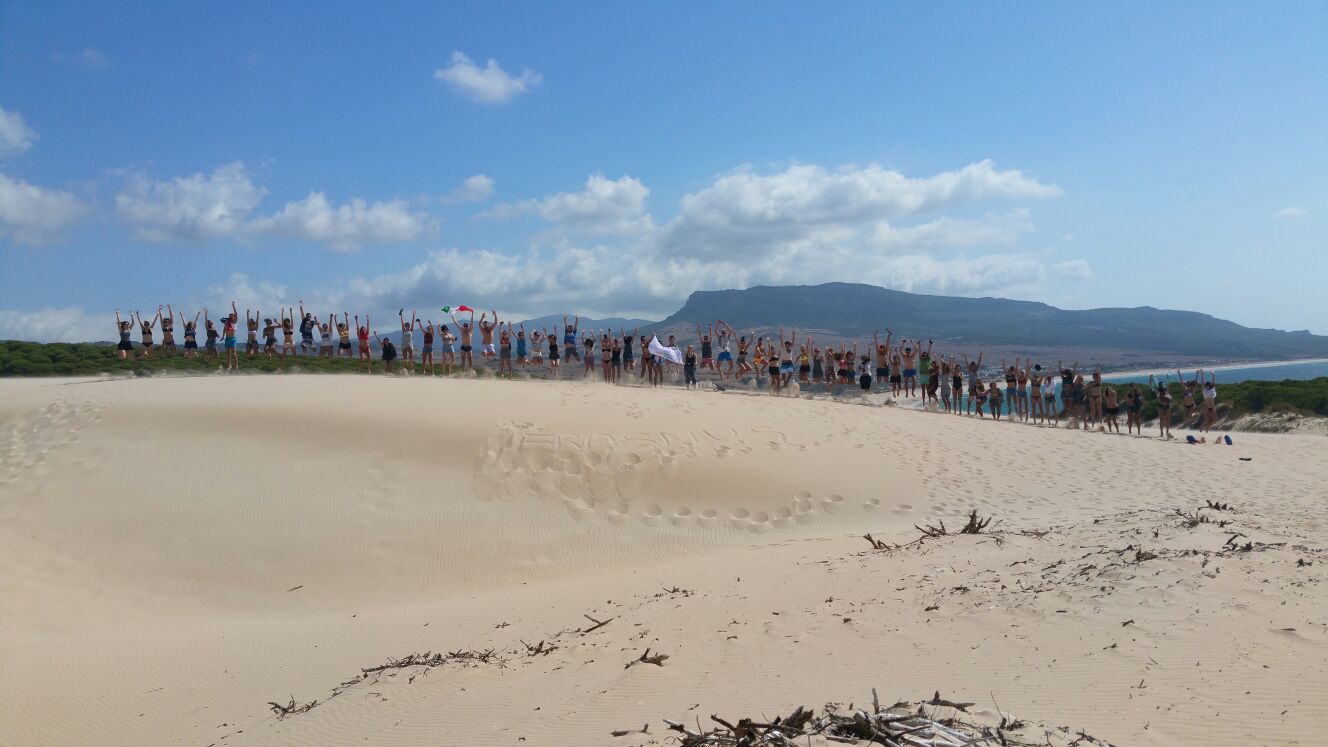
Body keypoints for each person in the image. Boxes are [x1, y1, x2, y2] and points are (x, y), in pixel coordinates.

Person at [1150, 374, 1173, 439]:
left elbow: (1151, 385)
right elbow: (1168, 383)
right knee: (1165, 419)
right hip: (1164, 405)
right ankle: (1164, 432)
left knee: (1163, 419)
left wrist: (1151, 378)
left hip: (1162, 405)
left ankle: (1163, 432)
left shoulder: (1158, 391)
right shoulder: (1163, 391)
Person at [223, 302, 240, 371]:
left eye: (232, 316)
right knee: (228, 354)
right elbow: (224, 329)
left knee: (234, 353)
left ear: (234, 317)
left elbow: (236, 314)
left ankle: (236, 366)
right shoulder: (227, 323)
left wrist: (233, 306)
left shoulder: (234, 323)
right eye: (230, 316)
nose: (231, 317)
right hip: (227, 339)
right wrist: (222, 336)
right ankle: (228, 366)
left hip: (232, 339)